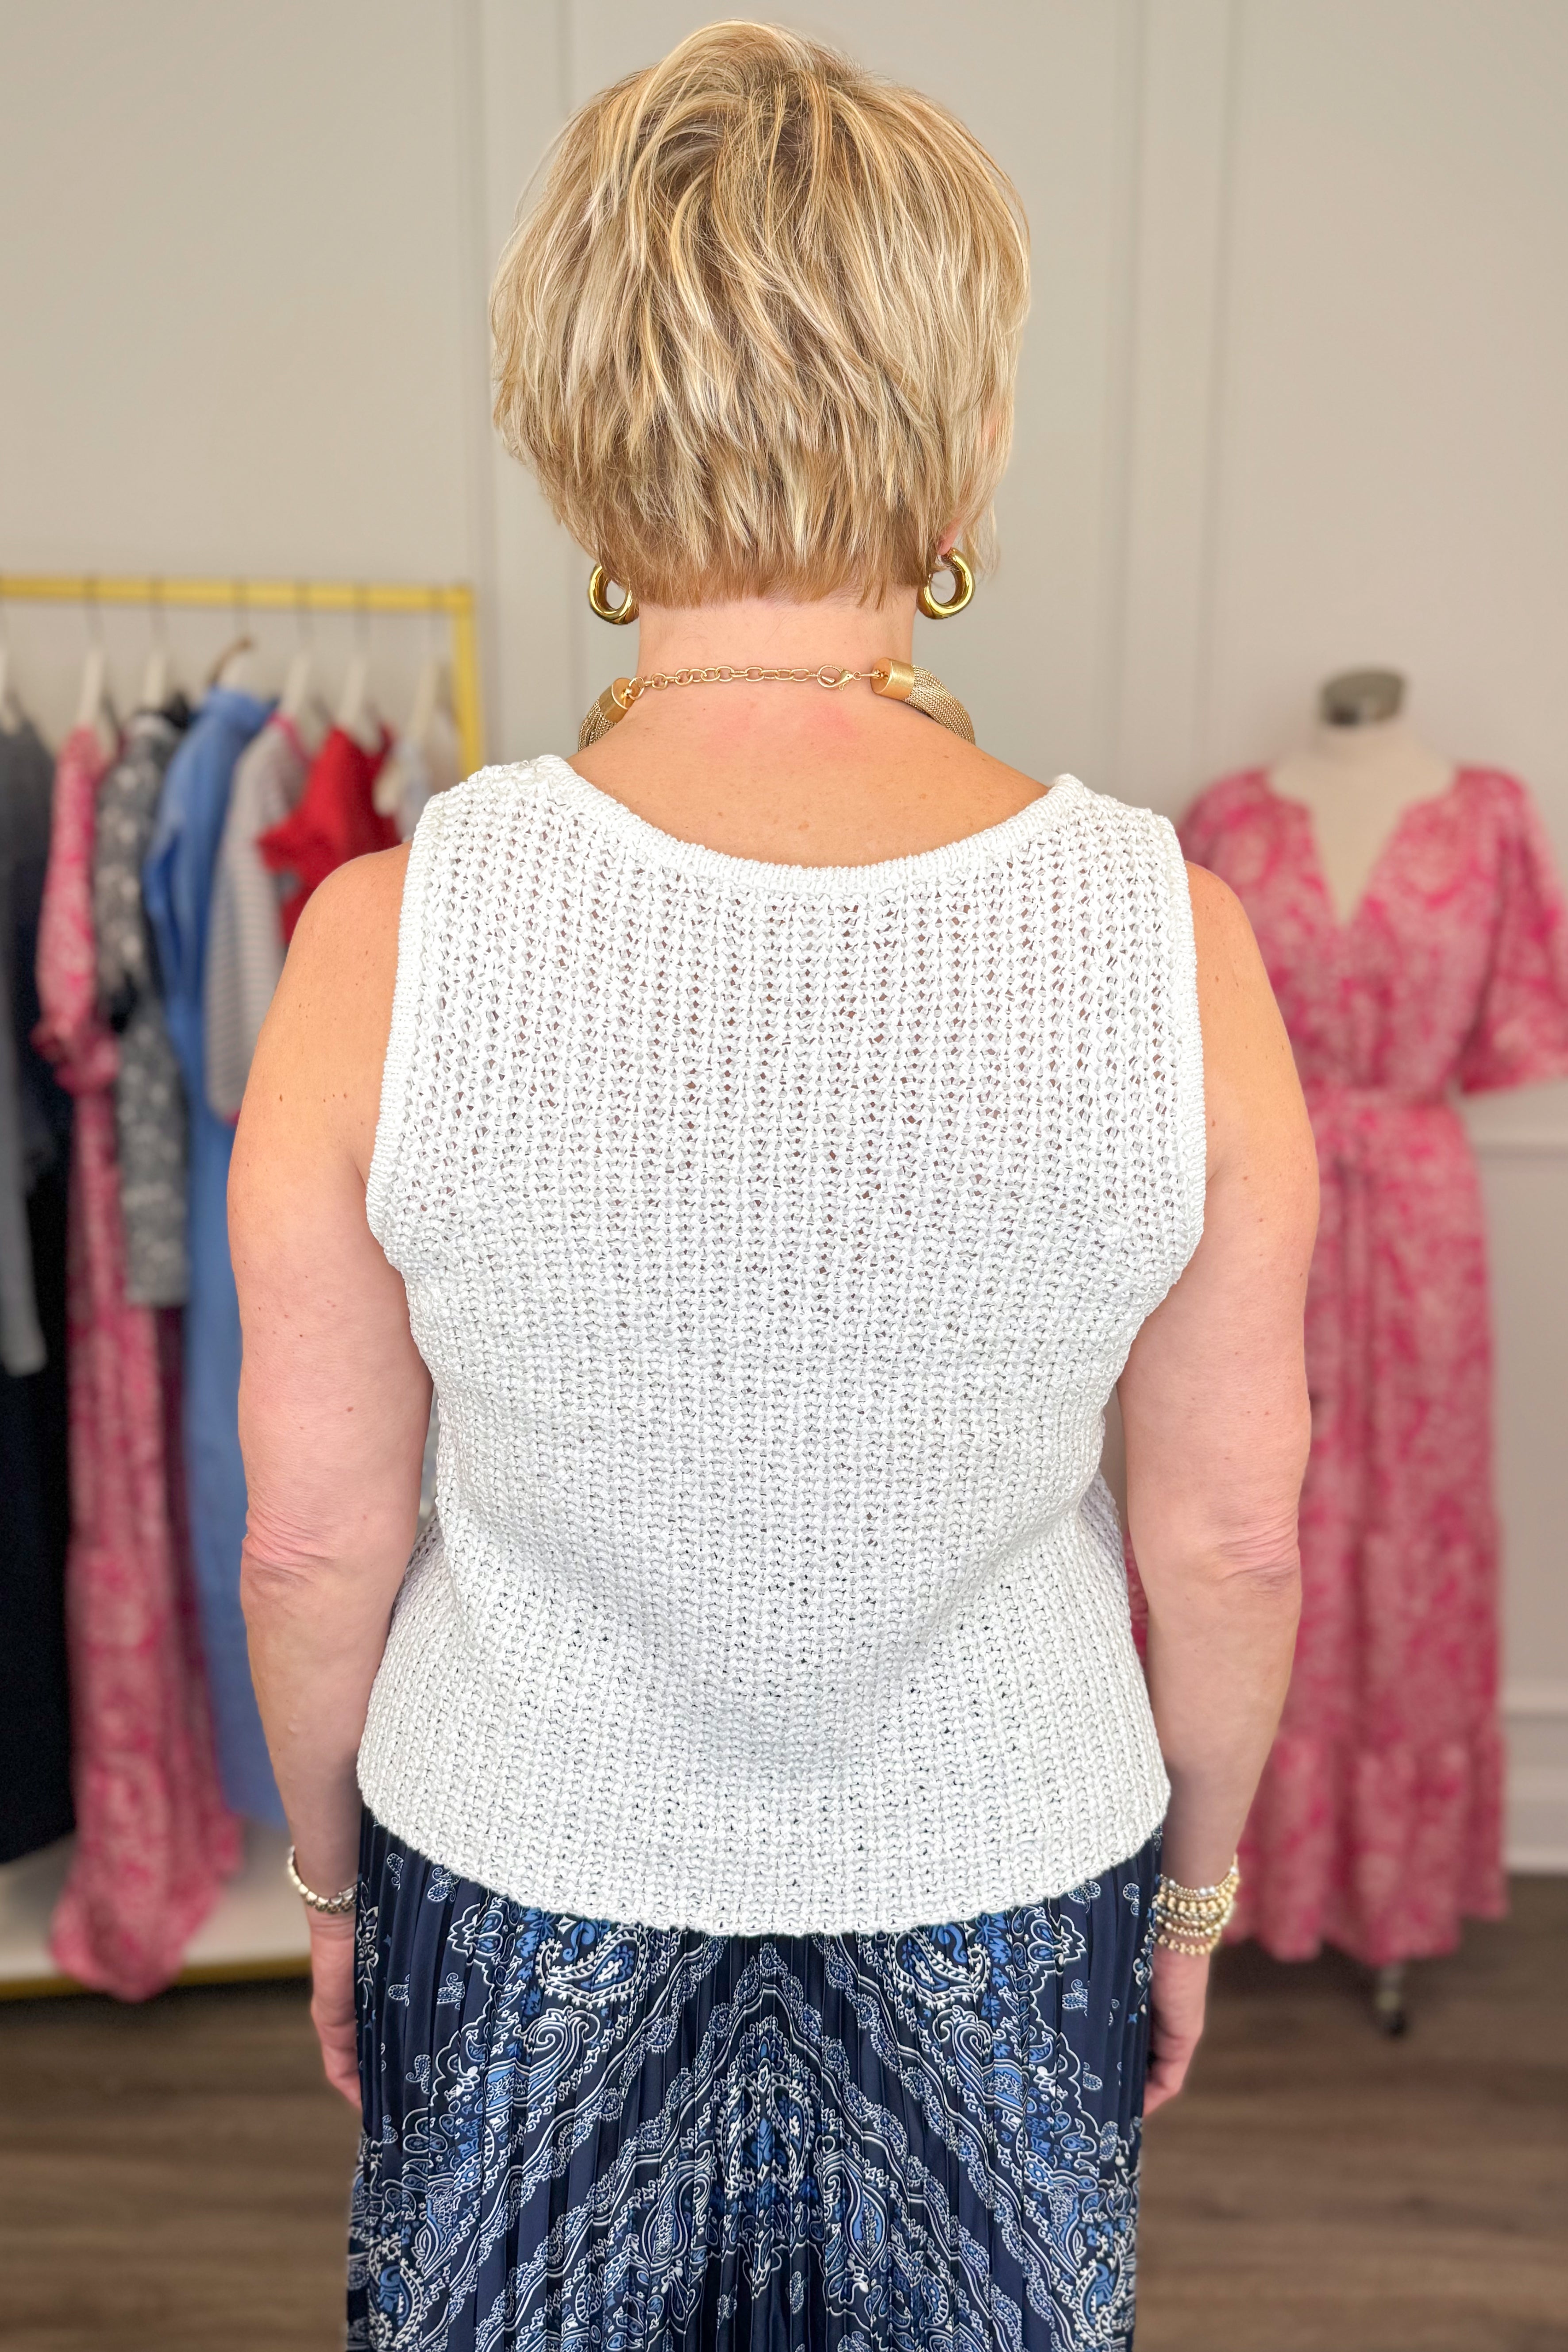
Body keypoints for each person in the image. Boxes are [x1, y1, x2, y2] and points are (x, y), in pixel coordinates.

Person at [231, 23, 1316, 2349]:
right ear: (959, 424)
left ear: (580, 420)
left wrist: (328, 1879)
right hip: (998, 1892)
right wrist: (1197, 1893)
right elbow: (1226, 1531)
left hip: (517, 1888)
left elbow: (315, 1532)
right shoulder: (1171, 941)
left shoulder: (381, 941)